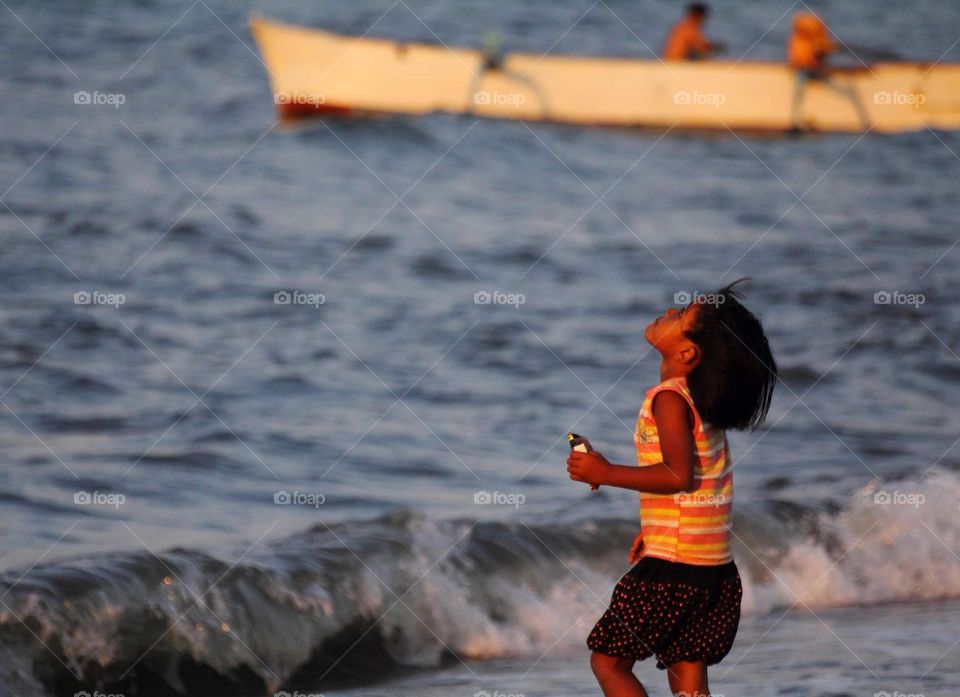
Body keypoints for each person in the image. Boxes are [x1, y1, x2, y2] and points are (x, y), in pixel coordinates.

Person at [567, 279, 777, 697]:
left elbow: (678, 476)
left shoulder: (669, 399)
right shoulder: (703, 403)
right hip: (712, 566)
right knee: (687, 668)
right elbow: (703, 482)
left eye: (680, 316)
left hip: (676, 570)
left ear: (687, 353)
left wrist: (604, 472)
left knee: (608, 662)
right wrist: (658, 529)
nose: (668, 311)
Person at [787, 12, 869, 130]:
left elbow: (819, 53)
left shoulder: (809, 38)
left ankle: (795, 121)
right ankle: (795, 121)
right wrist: (826, 48)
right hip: (805, 71)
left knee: (799, 94)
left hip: (810, 71)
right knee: (798, 94)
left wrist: (826, 48)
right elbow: (810, 55)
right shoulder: (805, 38)